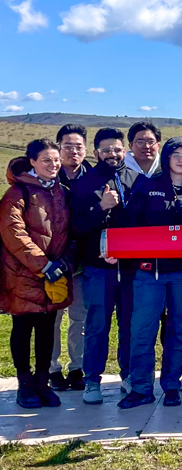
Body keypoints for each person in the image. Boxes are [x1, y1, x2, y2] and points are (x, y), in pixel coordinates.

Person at [118, 137, 182, 409]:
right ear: (168, 158)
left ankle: (172, 385)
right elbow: (129, 226)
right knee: (142, 331)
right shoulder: (147, 189)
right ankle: (141, 388)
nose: (181, 159)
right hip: (150, 274)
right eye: (176, 154)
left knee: (179, 330)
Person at [1, 139, 75, 408]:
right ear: (32, 162)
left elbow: (70, 232)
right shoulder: (17, 193)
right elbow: (13, 232)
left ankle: (42, 384)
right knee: (22, 328)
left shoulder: (61, 191)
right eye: (46, 160)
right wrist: (42, 265)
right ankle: (25, 385)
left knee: (47, 329)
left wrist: (63, 262)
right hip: (24, 274)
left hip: (54, 273)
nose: (53, 165)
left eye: (56, 160)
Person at [70, 128, 142, 405]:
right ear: (97, 152)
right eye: (106, 150)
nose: (112, 154)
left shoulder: (137, 181)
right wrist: (101, 207)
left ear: (125, 151)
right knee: (97, 325)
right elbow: (76, 226)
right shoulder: (85, 184)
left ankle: (128, 376)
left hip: (130, 268)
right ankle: (92, 381)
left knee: (129, 325)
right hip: (97, 268)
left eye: (117, 149)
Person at [48, 124, 90, 391]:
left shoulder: (94, 178)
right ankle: (52, 368)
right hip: (52, 260)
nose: (73, 151)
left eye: (78, 146)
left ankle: (78, 368)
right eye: (67, 146)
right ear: (58, 148)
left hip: (84, 261)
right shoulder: (49, 178)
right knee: (53, 317)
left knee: (80, 317)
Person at [56, 124, 92, 189]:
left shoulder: (95, 180)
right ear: (58, 149)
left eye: (79, 147)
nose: (74, 151)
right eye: (68, 147)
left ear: (85, 150)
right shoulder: (47, 179)